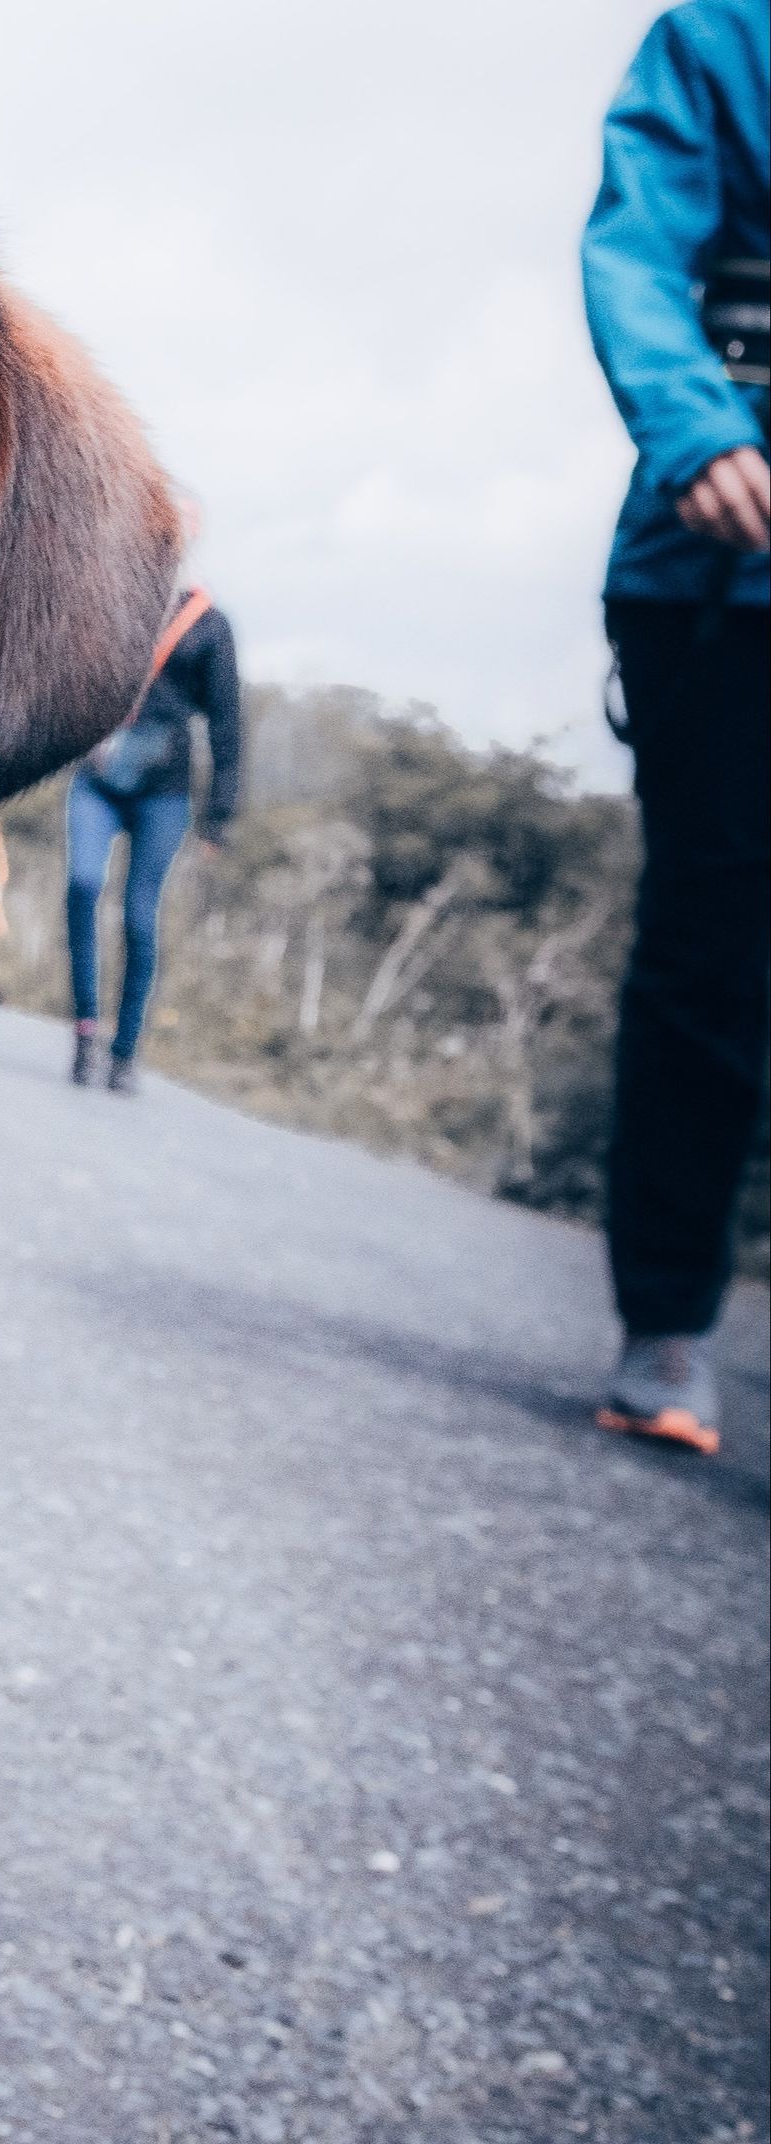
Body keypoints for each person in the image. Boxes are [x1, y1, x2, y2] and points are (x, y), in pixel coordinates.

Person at [583, 0, 768, 1458]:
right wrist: (697, 427)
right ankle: (668, 1323)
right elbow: (640, 247)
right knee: (714, 946)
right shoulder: (723, 36)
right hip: (721, 582)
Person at [63, 555, 242, 1095]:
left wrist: (219, 817)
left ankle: (125, 1051)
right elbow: (69, 679)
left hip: (164, 792)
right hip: (97, 779)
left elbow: (228, 723)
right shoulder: (115, 600)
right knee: (83, 885)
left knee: (140, 916)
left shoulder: (210, 625)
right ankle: (86, 1026)